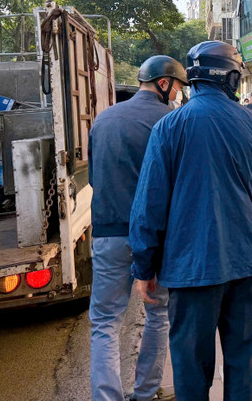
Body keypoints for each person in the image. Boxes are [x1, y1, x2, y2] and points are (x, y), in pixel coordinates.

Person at [130, 41, 252, 401]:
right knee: (240, 361)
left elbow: (149, 205)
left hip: (189, 270)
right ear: (231, 77)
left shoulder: (169, 128)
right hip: (245, 264)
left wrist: (144, 267)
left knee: (191, 371)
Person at [88, 55, 187, 401]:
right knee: (158, 315)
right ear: (164, 84)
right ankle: (145, 393)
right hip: (156, 239)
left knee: (104, 322)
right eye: (177, 87)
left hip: (108, 234)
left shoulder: (103, 120)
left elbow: (94, 179)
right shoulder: (172, 122)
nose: (178, 94)